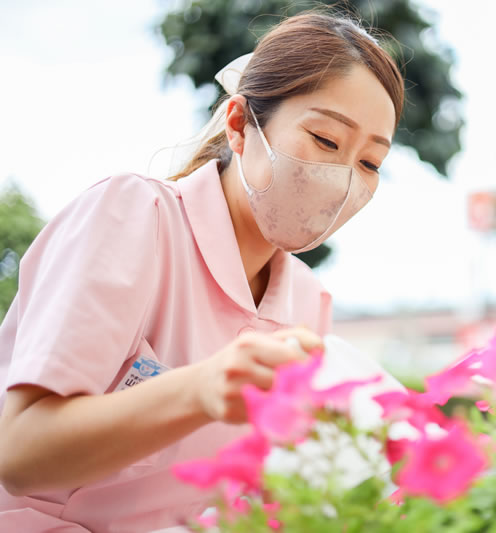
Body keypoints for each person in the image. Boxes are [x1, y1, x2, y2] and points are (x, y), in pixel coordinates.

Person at [0, 11, 404, 532]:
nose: (343, 179)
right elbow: (18, 453)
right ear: (239, 125)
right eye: (326, 141)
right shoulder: (133, 217)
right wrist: (199, 390)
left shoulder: (307, 304)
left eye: (370, 163)